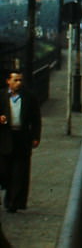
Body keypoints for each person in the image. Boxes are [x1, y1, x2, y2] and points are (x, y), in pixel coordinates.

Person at [0, 70, 42, 213]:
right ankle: (7, 191)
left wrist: (36, 136)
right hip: (5, 137)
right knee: (5, 171)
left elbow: (36, 119)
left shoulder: (29, 97)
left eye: (20, 80)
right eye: (16, 80)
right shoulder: (1, 96)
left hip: (22, 137)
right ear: (8, 81)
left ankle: (13, 202)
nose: (19, 83)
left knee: (19, 172)